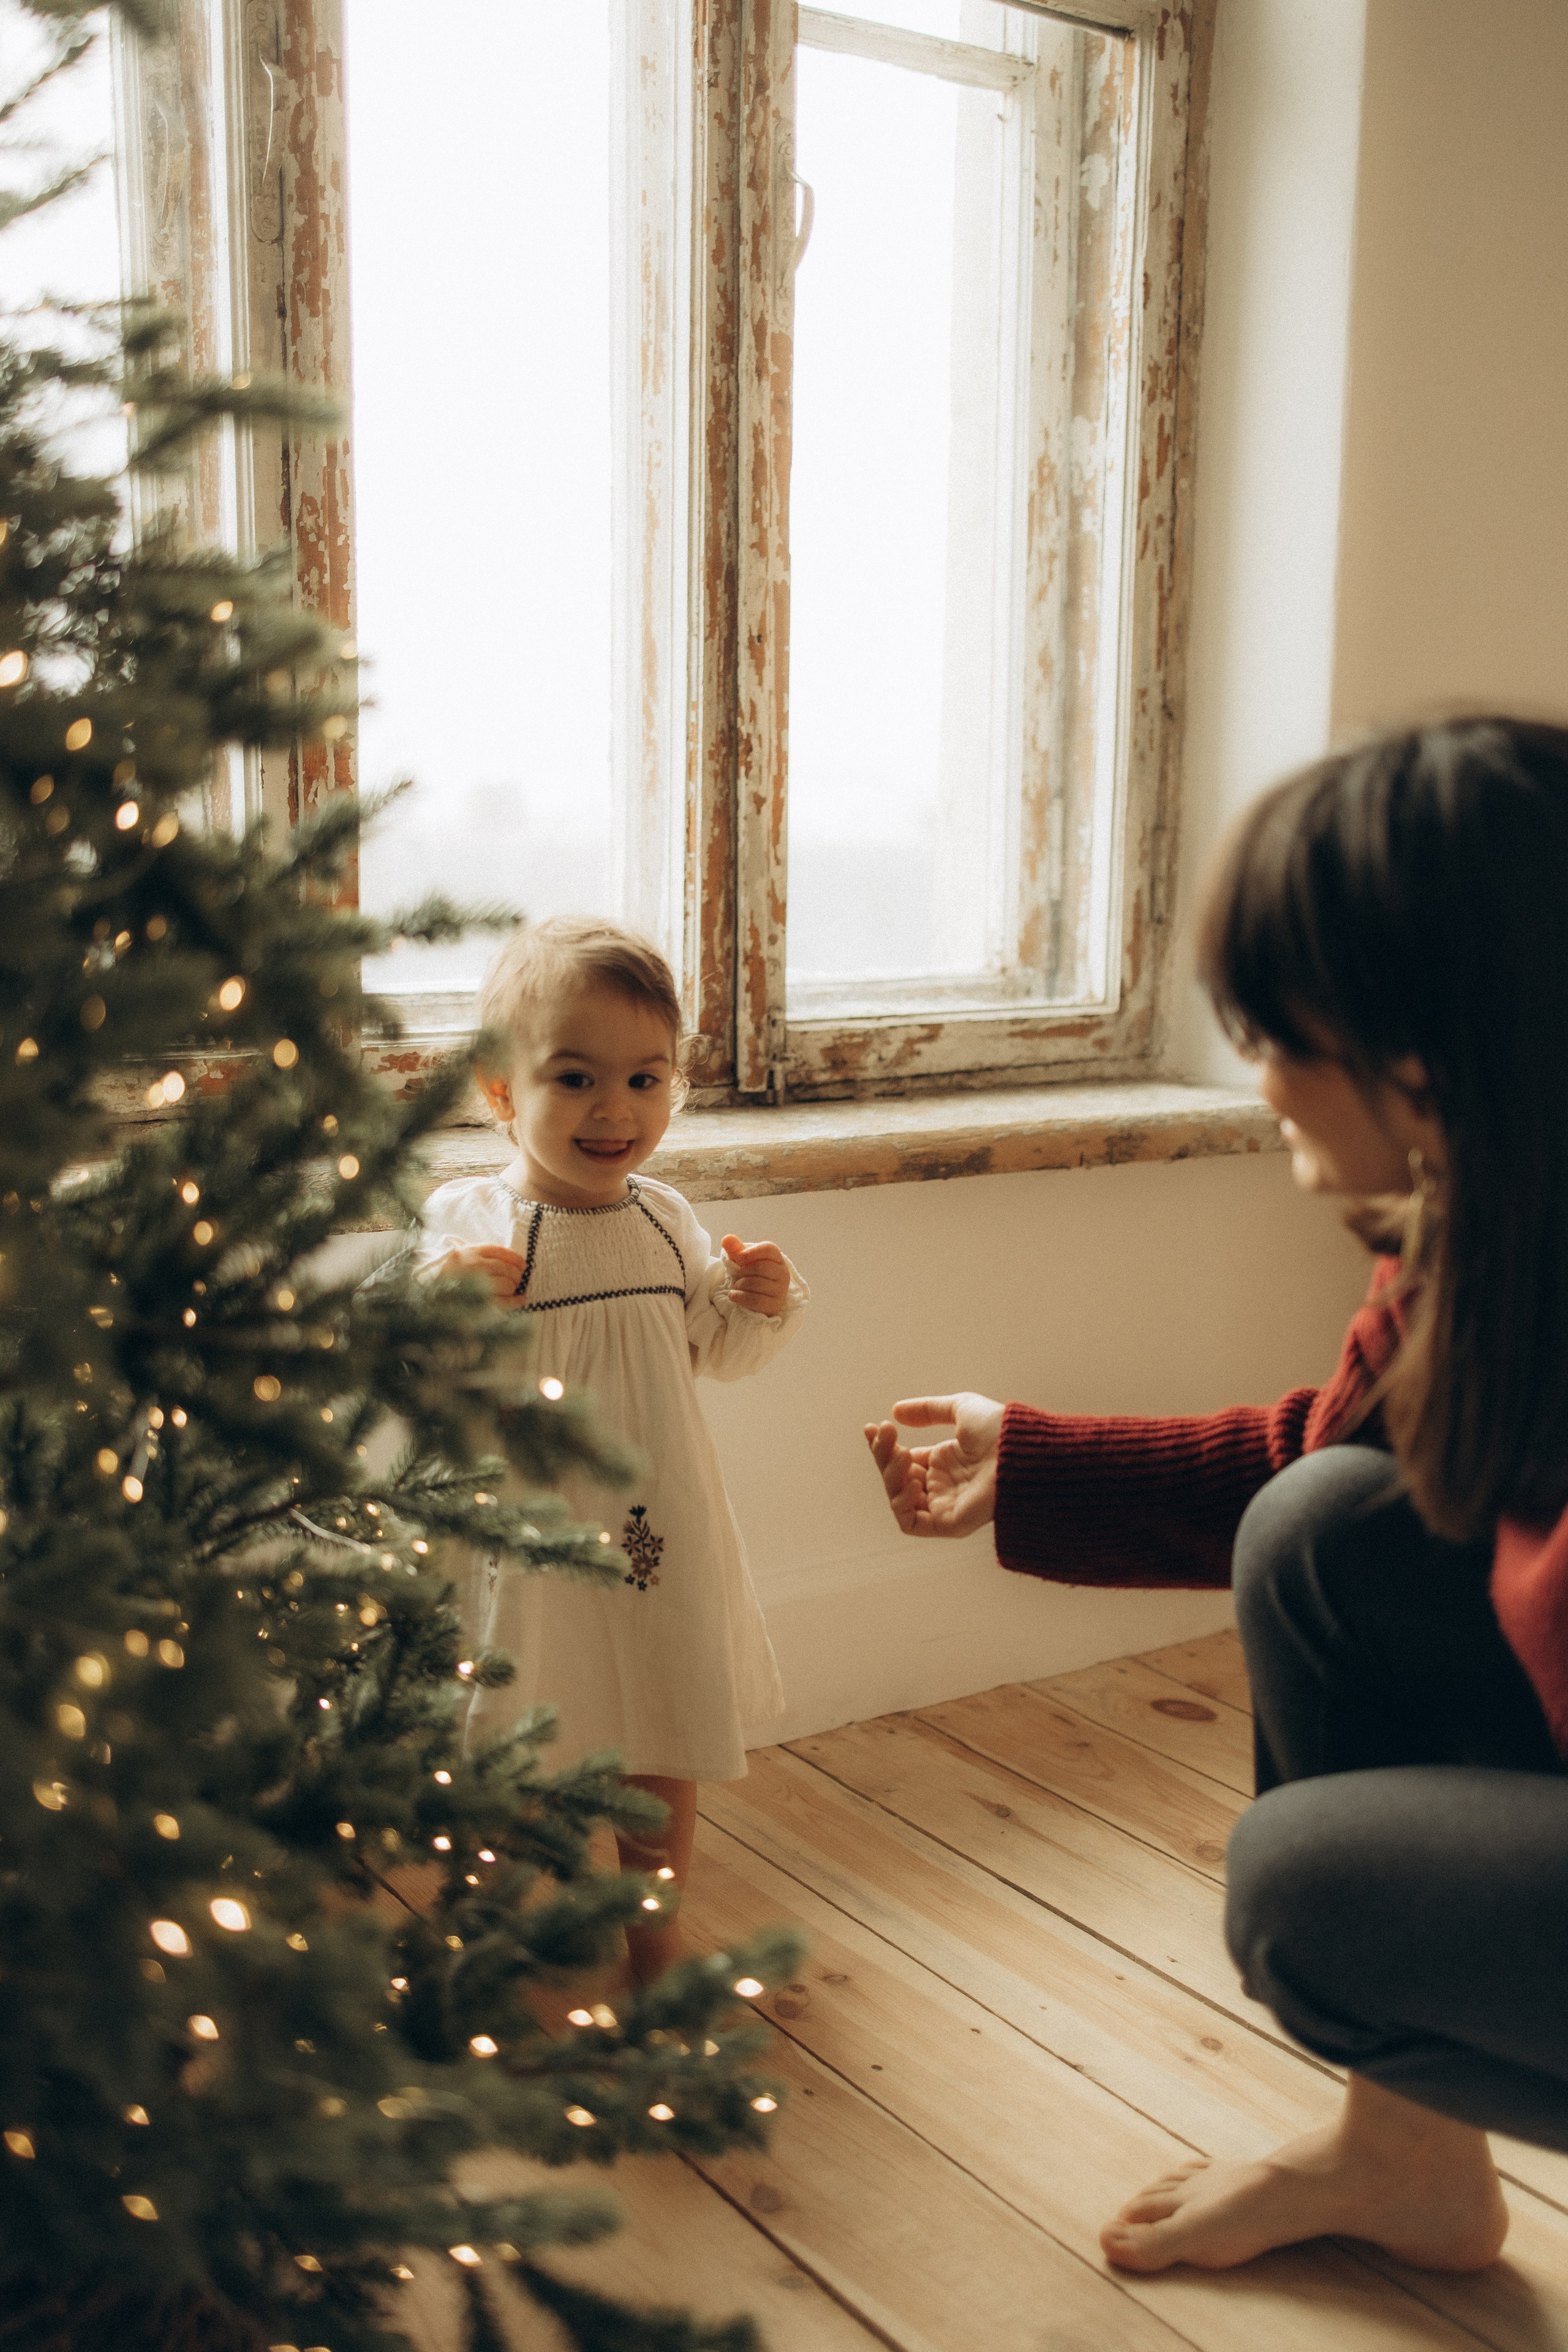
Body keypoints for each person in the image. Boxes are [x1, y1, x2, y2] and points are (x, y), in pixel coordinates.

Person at [865, 718, 1568, 2275]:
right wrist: (1028, 1465)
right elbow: (1326, 1459)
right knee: (1330, 1526)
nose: (1257, 1085)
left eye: (1275, 1032)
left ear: (1423, 1055)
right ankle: (1404, 2163)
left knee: (1305, 1894)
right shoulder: (1474, 1236)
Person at [418, 916, 807, 1980]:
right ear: (502, 1090)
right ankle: (491, 1927)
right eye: (578, 1078)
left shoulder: (665, 1222)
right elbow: (420, 1373)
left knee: (663, 1723)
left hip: (653, 1530)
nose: (616, 1110)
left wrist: (760, 1304)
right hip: (527, 1531)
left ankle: (653, 1928)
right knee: (512, 1727)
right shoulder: (472, 1218)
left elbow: (718, 1350)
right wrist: (442, 1310)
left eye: (646, 1079)